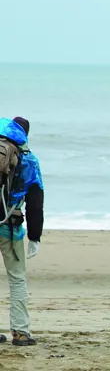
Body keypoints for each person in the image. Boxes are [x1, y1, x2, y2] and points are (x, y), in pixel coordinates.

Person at [0, 117, 44, 347]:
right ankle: (21, 332)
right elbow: (35, 203)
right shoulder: (29, 161)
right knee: (17, 279)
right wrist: (35, 237)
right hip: (11, 227)